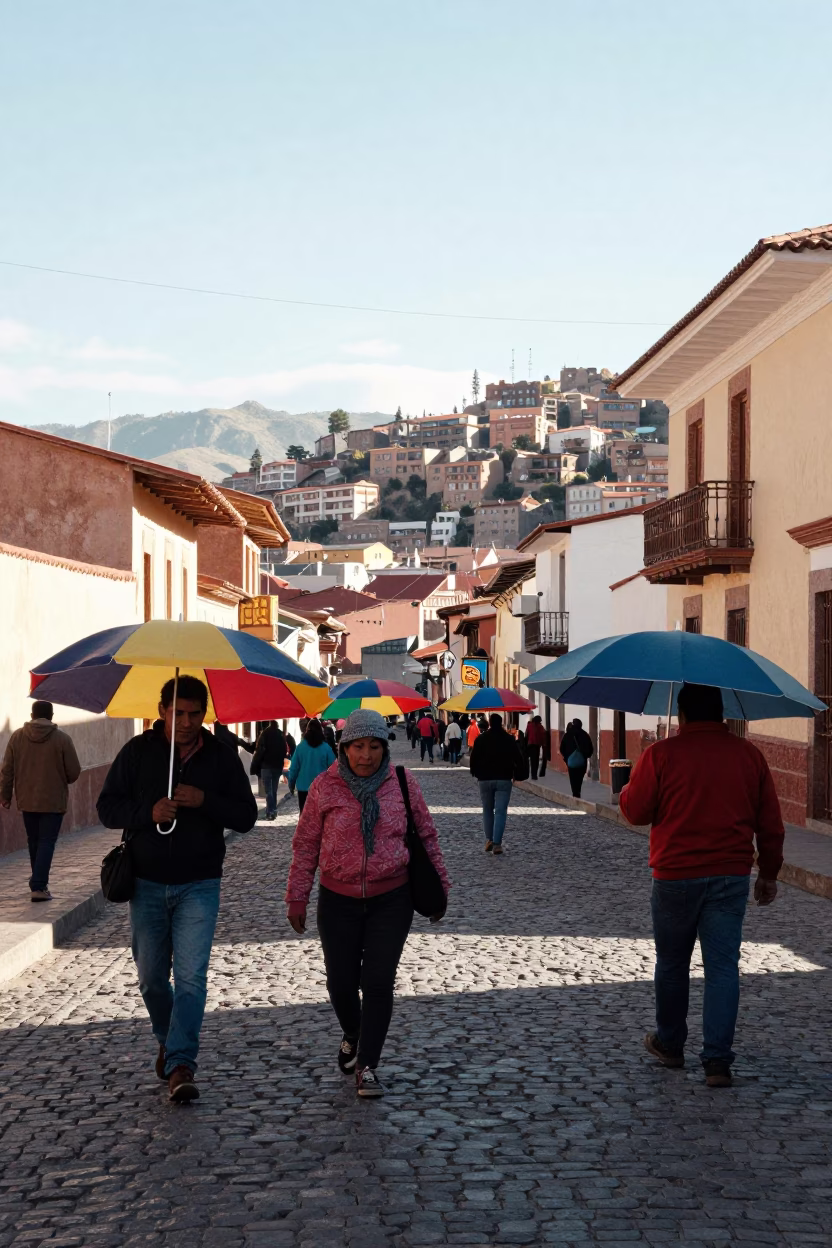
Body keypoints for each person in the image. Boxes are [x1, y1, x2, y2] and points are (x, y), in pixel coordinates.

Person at [97, 675, 257, 1102]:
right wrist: (147, 811)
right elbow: (106, 808)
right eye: (178, 713)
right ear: (162, 711)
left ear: (204, 714)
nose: (186, 722)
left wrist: (204, 801)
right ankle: (167, 1039)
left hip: (199, 884)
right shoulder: (137, 753)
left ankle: (182, 1063)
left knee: (190, 978)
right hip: (145, 883)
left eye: (194, 714)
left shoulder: (221, 758)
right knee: (151, 980)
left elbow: (246, 816)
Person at [619, 683, 784, 1089]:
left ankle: (671, 1044)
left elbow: (637, 812)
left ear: (684, 715)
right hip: (730, 876)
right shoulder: (749, 756)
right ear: (723, 714)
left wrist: (627, 789)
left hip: (675, 876)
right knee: (723, 968)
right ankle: (717, 1063)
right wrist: (769, 873)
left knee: (672, 964)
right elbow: (771, 822)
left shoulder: (661, 754)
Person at [285, 709, 449, 1097]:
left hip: (392, 898)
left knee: (377, 982)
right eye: (358, 746)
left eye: (374, 746)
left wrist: (441, 886)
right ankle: (354, 1031)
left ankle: (368, 1065)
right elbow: (306, 843)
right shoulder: (325, 787)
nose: (366, 755)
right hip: (337, 900)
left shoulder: (403, 783)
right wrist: (297, 895)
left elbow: (426, 836)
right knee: (341, 983)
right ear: (343, 748)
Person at [0, 700, 81, 902]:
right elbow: (73, 772)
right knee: (46, 842)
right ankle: (38, 885)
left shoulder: (17, 737)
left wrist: (5, 795)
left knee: (34, 841)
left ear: (32, 714)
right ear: (52, 716)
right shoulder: (62, 739)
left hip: (27, 800)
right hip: (53, 801)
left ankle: (38, 881)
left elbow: (7, 769)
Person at [469, 713, 524, 855]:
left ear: (489, 723)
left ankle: (489, 839)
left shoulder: (481, 739)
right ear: (501, 723)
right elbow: (518, 758)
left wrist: (475, 772)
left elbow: (473, 758)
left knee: (487, 810)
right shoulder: (509, 739)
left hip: (485, 779)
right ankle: (497, 844)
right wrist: (518, 773)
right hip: (504, 779)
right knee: (500, 811)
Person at [287, 718, 336, 812]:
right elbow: (334, 768)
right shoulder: (326, 748)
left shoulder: (300, 748)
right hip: (321, 789)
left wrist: (291, 784)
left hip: (303, 788)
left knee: (304, 816)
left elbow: (294, 768)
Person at [252, 720, 288, 820]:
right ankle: (273, 810)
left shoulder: (264, 734)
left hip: (266, 766)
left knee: (269, 791)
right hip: (277, 766)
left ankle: (270, 811)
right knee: (274, 790)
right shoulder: (281, 735)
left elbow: (260, 750)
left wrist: (256, 763)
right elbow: (285, 751)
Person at [560, 718, 594, 797]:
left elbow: (562, 748)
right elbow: (590, 748)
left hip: (571, 761)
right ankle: (578, 791)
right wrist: (585, 755)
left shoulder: (568, 735)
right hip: (582, 761)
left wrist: (567, 757)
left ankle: (574, 792)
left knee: (572, 777)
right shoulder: (585, 735)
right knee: (580, 777)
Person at [525, 715, 548, 782]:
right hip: (536, 745)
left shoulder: (529, 726)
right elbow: (543, 736)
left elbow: (526, 734)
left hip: (529, 745)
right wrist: (544, 745)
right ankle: (534, 775)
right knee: (535, 761)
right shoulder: (540, 727)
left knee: (531, 760)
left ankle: (530, 774)